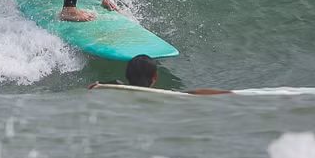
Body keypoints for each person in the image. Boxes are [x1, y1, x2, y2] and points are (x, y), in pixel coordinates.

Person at [89, 54, 232, 95]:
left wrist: (96, 86)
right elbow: (193, 93)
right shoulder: (161, 94)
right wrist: (227, 92)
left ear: (127, 74)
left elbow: (94, 87)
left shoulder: (116, 85)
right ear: (155, 77)